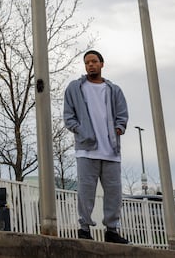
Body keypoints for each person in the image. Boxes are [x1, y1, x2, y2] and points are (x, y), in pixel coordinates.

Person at [63, 50, 129, 244]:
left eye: (94, 61)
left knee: (114, 193)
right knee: (85, 192)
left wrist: (119, 127)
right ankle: (84, 229)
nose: (90, 65)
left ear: (102, 64)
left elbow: (122, 113)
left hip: (111, 151)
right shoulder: (75, 88)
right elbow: (68, 116)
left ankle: (112, 230)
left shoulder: (114, 90)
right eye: (87, 62)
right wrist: (80, 131)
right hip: (86, 149)